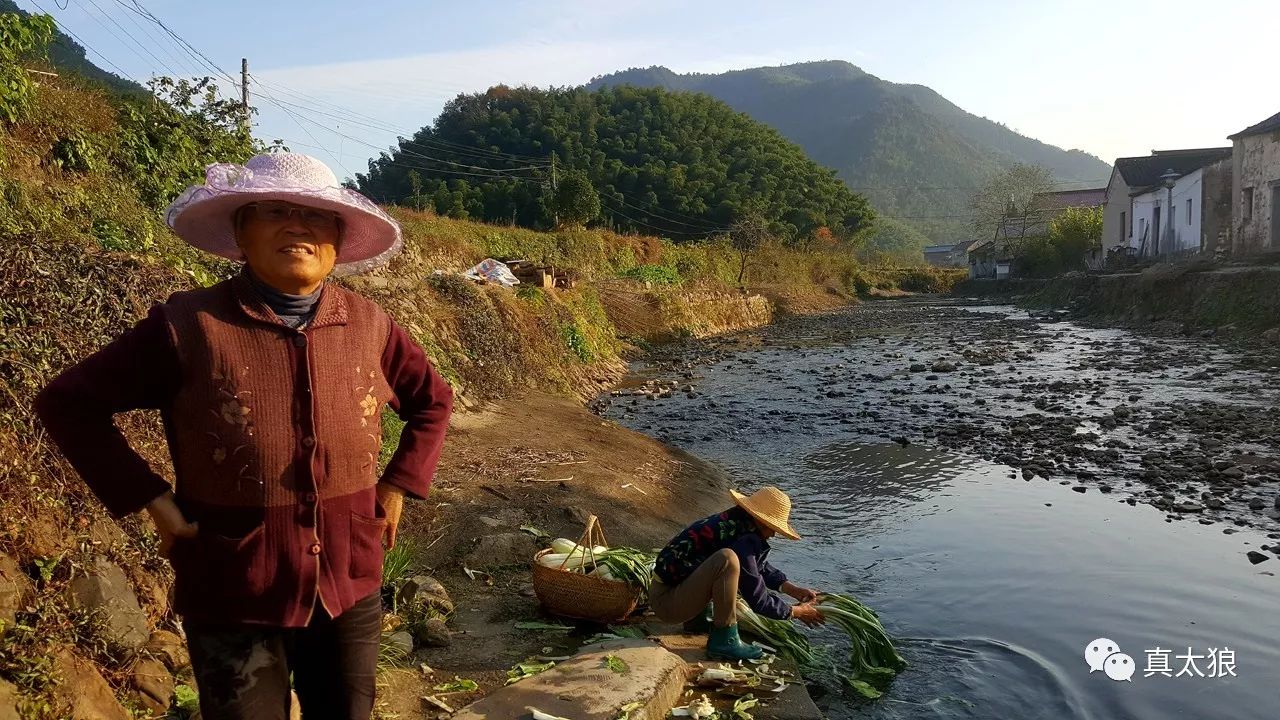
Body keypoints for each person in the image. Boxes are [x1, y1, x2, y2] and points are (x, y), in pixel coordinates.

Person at [34, 153, 453, 720]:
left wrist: (399, 483)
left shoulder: (370, 324)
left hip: (347, 580)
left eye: (317, 215)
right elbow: (68, 404)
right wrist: (152, 498)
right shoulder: (188, 326)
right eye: (275, 210)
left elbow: (433, 402)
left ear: (337, 238)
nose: (298, 225)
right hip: (233, 583)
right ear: (240, 232)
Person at [650, 486, 825, 660]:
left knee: (725, 560)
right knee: (727, 560)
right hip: (668, 604)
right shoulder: (744, 539)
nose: (773, 534)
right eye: (772, 528)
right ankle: (725, 641)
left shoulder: (735, 523)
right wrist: (797, 612)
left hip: (669, 596)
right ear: (761, 520)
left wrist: (793, 589)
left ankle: (697, 622)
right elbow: (758, 600)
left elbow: (757, 566)